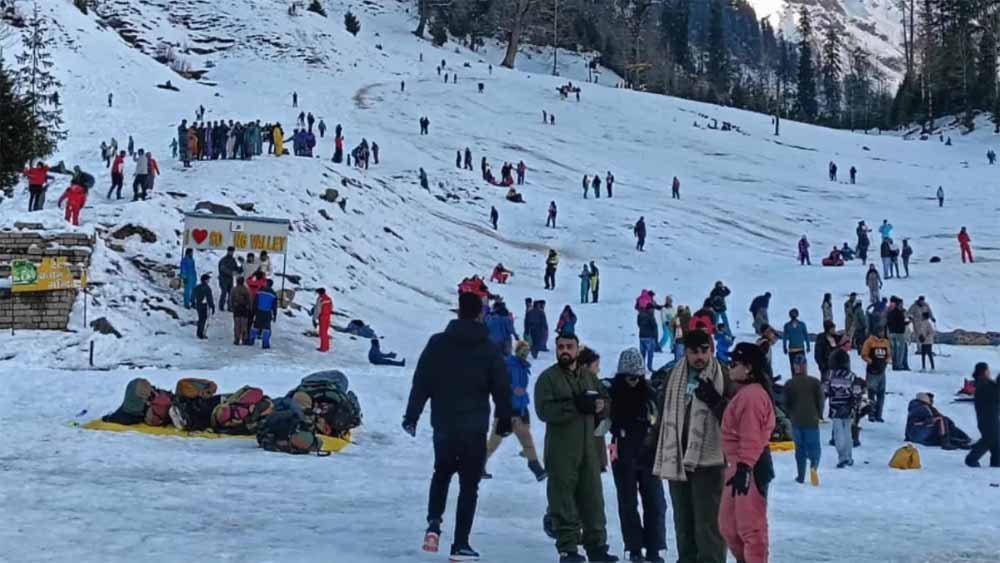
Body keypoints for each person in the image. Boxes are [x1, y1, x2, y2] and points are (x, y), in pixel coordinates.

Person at [403, 292, 511, 561]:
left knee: (441, 473)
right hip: (474, 427)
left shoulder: (437, 343)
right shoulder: (489, 348)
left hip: (444, 424)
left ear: (458, 311)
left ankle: (433, 524)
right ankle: (460, 544)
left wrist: (412, 415)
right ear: (479, 314)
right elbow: (501, 388)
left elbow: (422, 381)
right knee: (469, 486)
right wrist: (504, 419)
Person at [535, 333, 617, 563]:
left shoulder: (588, 377)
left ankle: (597, 547)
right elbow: (544, 411)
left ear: (577, 349)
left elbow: (606, 400)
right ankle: (568, 548)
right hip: (561, 450)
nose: (564, 351)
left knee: (593, 500)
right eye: (560, 346)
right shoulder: (548, 378)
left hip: (588, 449)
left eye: (569, 347)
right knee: (563, 501)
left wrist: (600, 406)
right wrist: (575, 406)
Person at [651, 330, 730, 563]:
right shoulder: (673, 375)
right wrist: (651, 446)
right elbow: (663, 413)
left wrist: (716, 401)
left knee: (708, 521)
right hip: (677, 456)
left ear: (711, 350)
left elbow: (734, 418)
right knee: (683, 520)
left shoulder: (723, 375)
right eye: (694, 352)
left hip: (709, 460)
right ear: (685, 352)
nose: (700, 357)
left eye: (704, 351)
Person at [718, 343, 775, 563]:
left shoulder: (753, 396)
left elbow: (752, 435)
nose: (729, 367)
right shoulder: (744, 393)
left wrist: (745, 467)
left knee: (751, 528)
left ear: (749, 368)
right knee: (729, 525)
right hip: (738, 466)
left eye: (734, 363)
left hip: (750, 465)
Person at [608, 348, 666, 563]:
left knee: (655, 502)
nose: (633, 381)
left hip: (648, 454)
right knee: (628, 503)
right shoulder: (612, 393)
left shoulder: (650, 394)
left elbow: (660, 421)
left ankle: (654, 548)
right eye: (628, 377)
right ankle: (634, 549)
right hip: (623, 454)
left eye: (636, 376)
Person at [484, 340, 545, 480]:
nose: (525, 354)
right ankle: (478, 466)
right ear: (517, 351)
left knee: (527, 441)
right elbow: (500, 385)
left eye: (527, 352)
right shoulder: (508, 365)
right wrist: (513, 390)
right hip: (506, 411)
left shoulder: (523, 367)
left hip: (520, 409)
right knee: (493, 444)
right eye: (523, 351)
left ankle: (536, 468)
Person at [784, 355, 824, 485]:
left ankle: (800, 476)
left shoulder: (789, 383)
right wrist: (819, 414)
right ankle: (813, 467)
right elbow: (820, 400)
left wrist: (790, 414)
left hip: (796, 420)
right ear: (805, 366)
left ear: (794, 367)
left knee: (799, 449)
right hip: (811, 419)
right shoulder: (814, 382)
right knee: (814, 447)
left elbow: (785, 403)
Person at [823, 349, 864, 468]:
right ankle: (848, 457)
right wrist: (856, 405)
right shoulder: (851, 376)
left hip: (835, 409)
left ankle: (842, 457)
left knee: (838, 433)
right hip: (848, 408)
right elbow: (857, 392)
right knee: (847, 433)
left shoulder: (830, 376)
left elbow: (824, 391)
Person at [966, 363, 999, 467]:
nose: (989, 372)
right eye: (988, 370)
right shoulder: (983, 384)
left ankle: (997, 462)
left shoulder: (985, 383)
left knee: (996, 440)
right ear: (984, 371)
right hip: (987, 418)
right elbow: (996, 395)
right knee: (989, 439)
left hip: (990, 417)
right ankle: (971, 459)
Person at [861, 326, 892, 423]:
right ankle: (871, 414)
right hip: (872, 372)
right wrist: (871, 361)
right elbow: (864, 354)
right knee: (871, 394)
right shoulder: (869, 342)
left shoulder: (886, 342)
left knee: (881, 394)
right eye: (881, 332)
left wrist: (887, 361)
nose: (882, 333)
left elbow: (889, 354)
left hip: (882, 372)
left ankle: (879, 415)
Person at [249, 280, 278, 349]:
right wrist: (275, 315)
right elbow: (274, 306)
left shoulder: (260, 291)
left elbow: (255, 302)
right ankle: (265, 344)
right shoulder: (273, 294)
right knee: (267, 328)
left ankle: (251, 340)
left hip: (259, 311)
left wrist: (253, 312)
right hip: (267, 313)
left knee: (256, 326)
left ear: (266, 284)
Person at [886, 298, 910, 371]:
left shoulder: (890, 312)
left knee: (894, 351)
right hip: (899, 334)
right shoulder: (899, 313)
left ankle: (895, 364)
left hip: (892, 333)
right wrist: (907, 322)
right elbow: (900, 323)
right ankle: (899, 365)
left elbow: (889, 322)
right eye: (901, 304)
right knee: (900, 351)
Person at [217, 247, 241, 312]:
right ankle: (221, 306)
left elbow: (236, 268)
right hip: (223, 278)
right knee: (224, 292)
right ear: (228, 251)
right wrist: (231, 272)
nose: (231, 253)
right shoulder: (223, 260)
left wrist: (240, 267)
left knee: (231, 293)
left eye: (232, 251)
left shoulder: (233, 260)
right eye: (230, 251)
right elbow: (223, 268)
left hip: (230, 278)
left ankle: (229, 307)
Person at [192, 273, 215, 339]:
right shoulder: (207, 288)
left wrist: (193, 302)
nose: (209, 281)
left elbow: (193, 295)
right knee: (203, 319)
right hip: (204, 305)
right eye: (208, 279)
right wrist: (212, 306)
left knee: (200, 318)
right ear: (205, 280)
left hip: (198, 304)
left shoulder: (197, 287)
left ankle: (199, 332)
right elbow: (209, 298)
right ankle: (200, 334)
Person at [229, 276, 251, 345]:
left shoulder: (234, 289)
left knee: (237, 324)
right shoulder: (246, 289)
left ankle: (237, 339)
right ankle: (244, 339)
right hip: (244, 309)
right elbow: (249, 299)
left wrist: (231, 307)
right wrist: (249, 307)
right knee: (244, 325)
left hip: (236, 308)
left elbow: (231, 299)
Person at [637, 303, 658, 372]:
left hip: (641, 336)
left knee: (642, 354)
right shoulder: (651, 315)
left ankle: (641, 367)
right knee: (650, 353)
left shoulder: (640, 315)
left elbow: (639, 324)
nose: (653, 310)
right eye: (653, 309)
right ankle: (649, 367)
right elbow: (654, 326)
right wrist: (655, 337)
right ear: (650, 309)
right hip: (650, 337)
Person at [313, 288, 333, 352]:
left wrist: (314, 318)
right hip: (328, 316)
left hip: (322, 317)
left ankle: (323, 348)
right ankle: (326, 347)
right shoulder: (328, 298)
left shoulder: (320, 299)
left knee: (322, 333)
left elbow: (318, 310)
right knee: (325, 332)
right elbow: (331, 307)